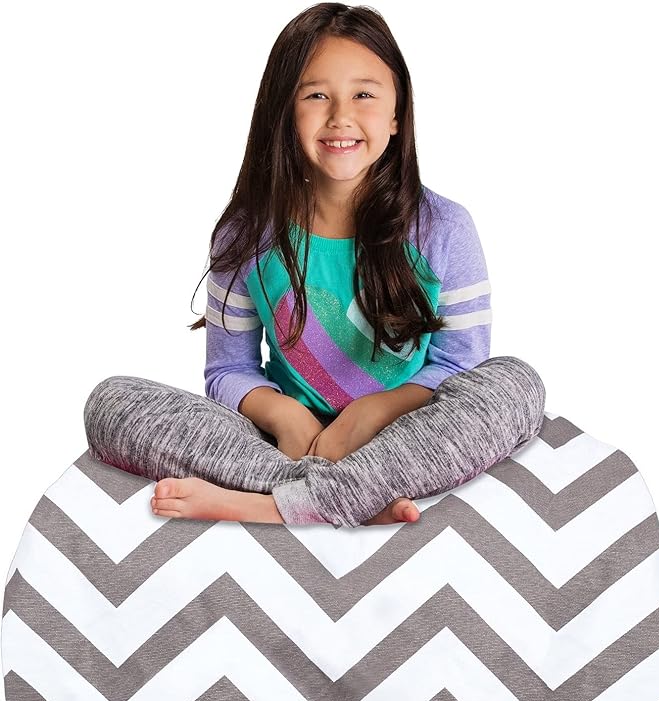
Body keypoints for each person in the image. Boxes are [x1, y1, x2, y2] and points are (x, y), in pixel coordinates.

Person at [83, 3, 546, 529]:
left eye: (364, 95)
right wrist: (286, 417)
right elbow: (227, 372)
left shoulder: (444, 228)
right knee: (110, 403)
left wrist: (370, 414)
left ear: (397, 114)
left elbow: (461, 369)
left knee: (515, 383)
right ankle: (341, 499)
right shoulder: (245, 234)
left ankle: (274, 504)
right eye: (316, 95)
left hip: (406, 439)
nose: (340, 116)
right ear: (285, 113)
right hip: (286, 445)